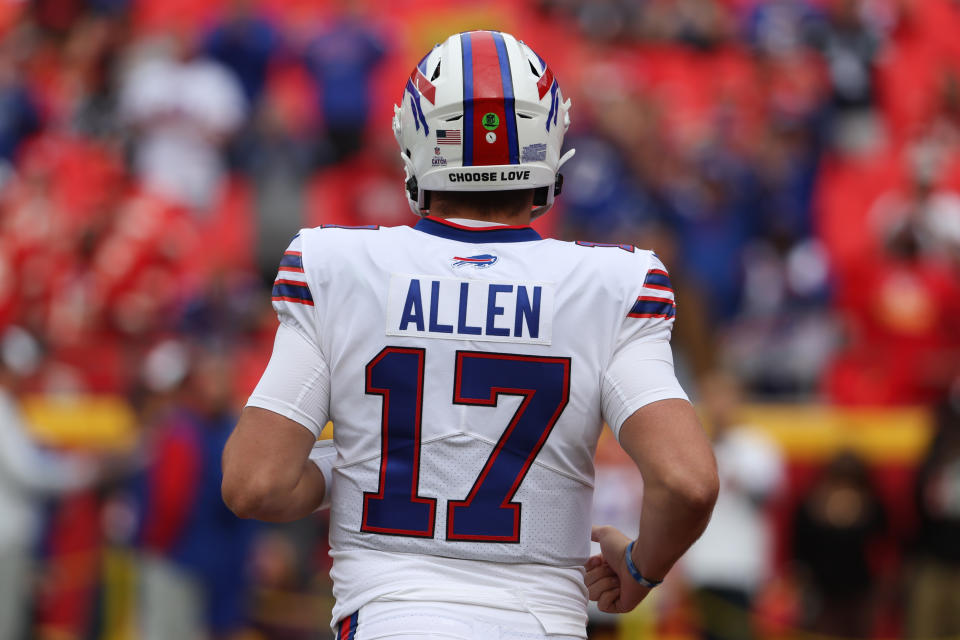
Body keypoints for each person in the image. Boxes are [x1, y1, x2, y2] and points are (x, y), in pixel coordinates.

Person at [222, 30, 718, 640]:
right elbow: (687, 482)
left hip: (389, 618)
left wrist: (350, 467)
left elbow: (255, 483)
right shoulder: (614, 283)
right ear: (550, 139)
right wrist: (643, 569)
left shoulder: (336, 267)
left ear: (417, 137)